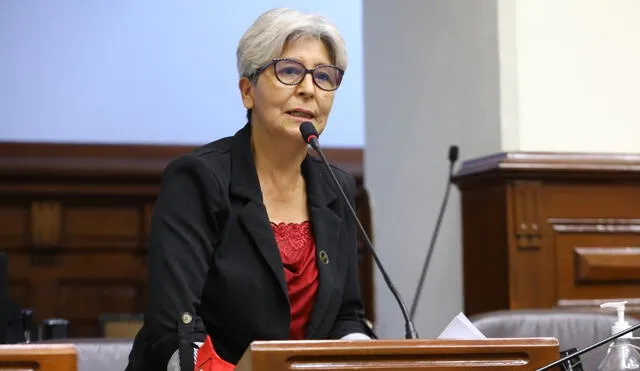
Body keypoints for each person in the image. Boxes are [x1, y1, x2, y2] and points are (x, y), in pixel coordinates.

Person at [125, 7, 374, 371]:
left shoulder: (337, 188)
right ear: (247, 91)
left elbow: (346, 315)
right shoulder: (197, 179)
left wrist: (362, 356)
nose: (308, 89)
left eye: (324, 76)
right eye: (289, 71)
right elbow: (174, 325)